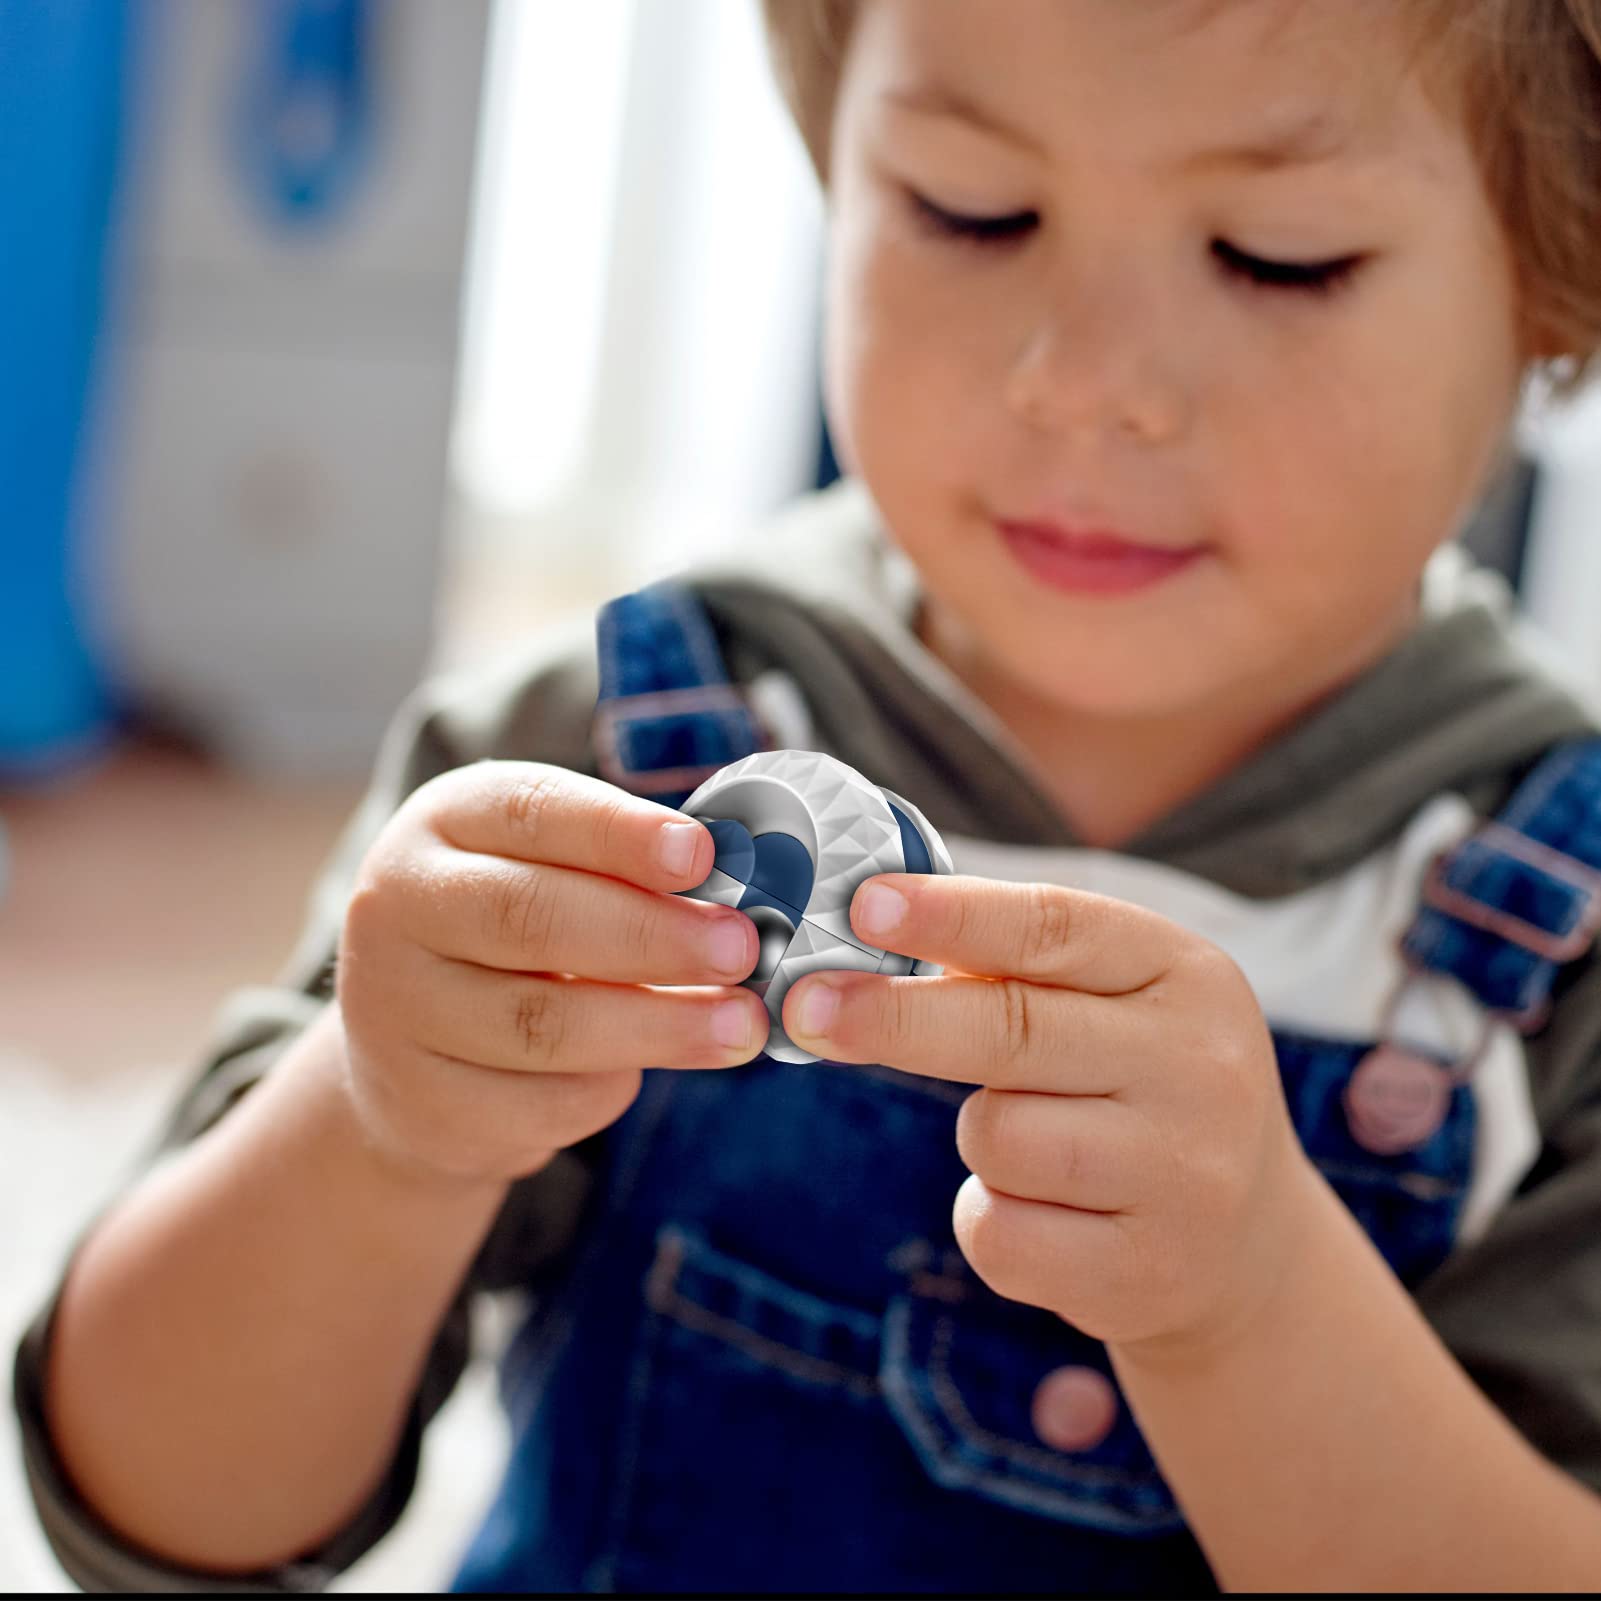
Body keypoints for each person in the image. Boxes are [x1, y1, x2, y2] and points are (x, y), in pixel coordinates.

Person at [16, 0, 1601, 1590]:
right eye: (971, 210)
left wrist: (1254, 1302)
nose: (1085, 383)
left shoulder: (1562, 929)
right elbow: (154, 1514)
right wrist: (375, 1129)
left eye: (1275, 254)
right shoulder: (611, 746)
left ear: (1553, 275)